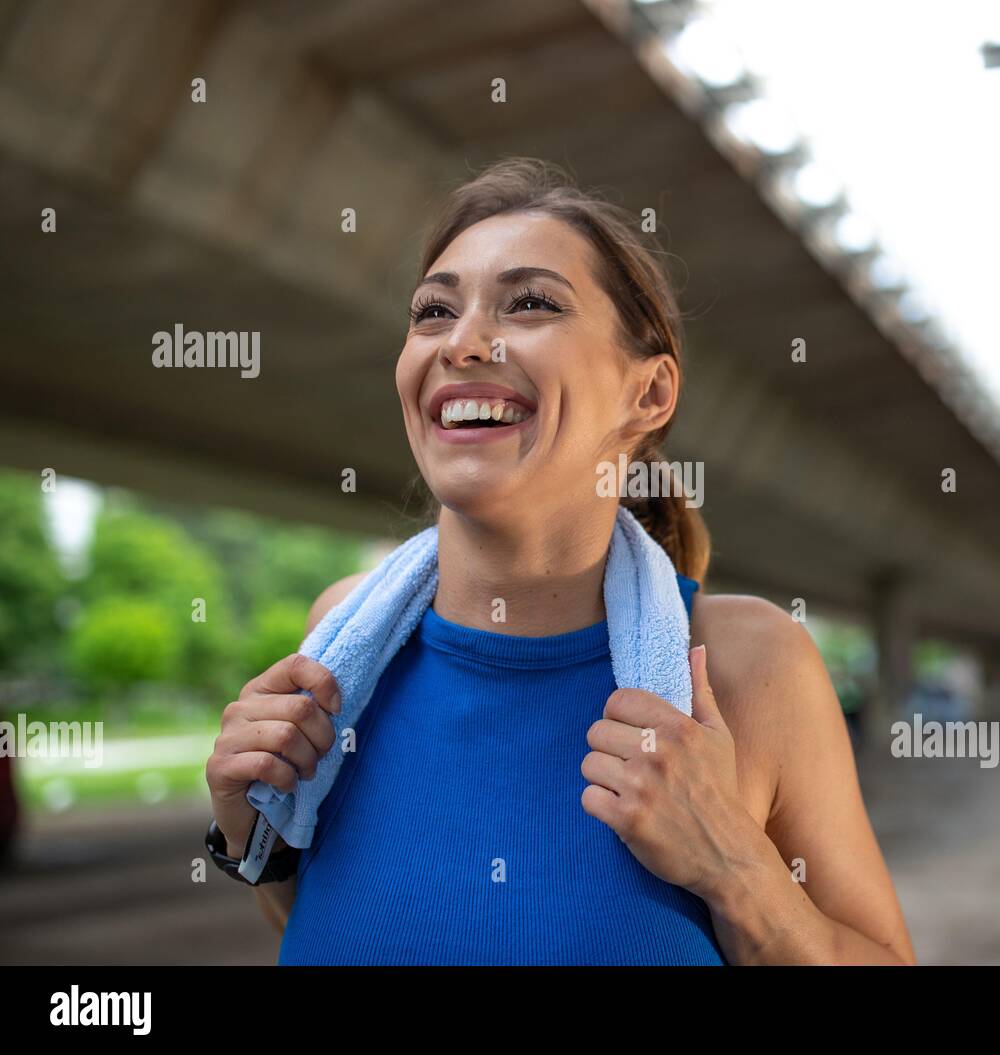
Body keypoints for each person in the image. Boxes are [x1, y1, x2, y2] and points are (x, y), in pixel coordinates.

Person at [204, 157, 915, 966]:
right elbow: (329, 929)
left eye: (531, 303)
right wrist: (254, 834)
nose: (463, 341)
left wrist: (734, 865)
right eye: (433, 311)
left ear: (647, 394)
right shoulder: (340, 639)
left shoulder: (746, 667)